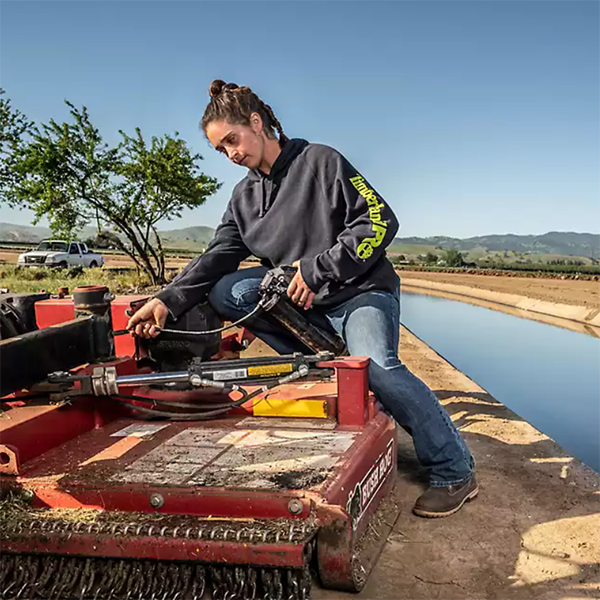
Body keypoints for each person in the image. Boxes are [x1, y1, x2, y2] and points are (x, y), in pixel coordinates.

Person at [127, 80, 477, 517]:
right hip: (304, 306)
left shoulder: (321, 161)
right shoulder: (244, 197)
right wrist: (167, 300)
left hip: (359, 292)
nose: (231, 154)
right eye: (221, 149)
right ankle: (317, 358)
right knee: (227, 291)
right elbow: (219, 255)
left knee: (377, 368)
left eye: (233, 140)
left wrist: (315, 270)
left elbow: (380, 222)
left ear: (257, 123)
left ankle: (454, 469)